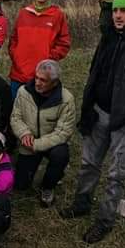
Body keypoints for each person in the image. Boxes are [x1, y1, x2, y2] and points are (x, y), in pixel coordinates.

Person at [61, 0, 125, 244]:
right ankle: (82, 203)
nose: (118, 15)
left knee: (117, 174)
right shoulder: (108, 36)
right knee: (89, 163)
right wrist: (89, 106)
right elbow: (94, 71)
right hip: (99, 112)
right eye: (115, 10)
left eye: (124, 10)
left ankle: (104, 221)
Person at [10, 59, 75, 207]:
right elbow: (15, 117)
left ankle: (48, 186)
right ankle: (34, 170)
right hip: (29, 141)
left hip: (50, 143)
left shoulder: (66, 100)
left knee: (61, 154)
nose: (37, 83)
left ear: (54, 83)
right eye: (36, 77)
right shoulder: (23, 91)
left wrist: (36, 144)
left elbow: (63, 133)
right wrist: (24, 133)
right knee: (21, 185)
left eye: (43, 80)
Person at [8, 0, 72, 98]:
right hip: (18, 74)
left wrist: (48, 57)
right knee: (17, 107)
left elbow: (64, 43)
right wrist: (16, 56)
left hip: (42, 76)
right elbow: (13, 39)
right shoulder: (23, 13)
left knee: (39, 108)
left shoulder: (57, 15)